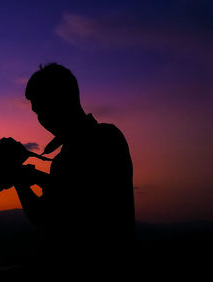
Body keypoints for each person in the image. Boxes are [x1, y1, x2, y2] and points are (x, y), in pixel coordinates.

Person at [13, 63, 135, 264]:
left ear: (61, 101)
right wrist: (31, 177)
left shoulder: (94, 143)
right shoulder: (108, 137)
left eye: (41, 109)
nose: (42, 119)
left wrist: (19, 179)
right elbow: (75, 191)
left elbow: (46, 217)